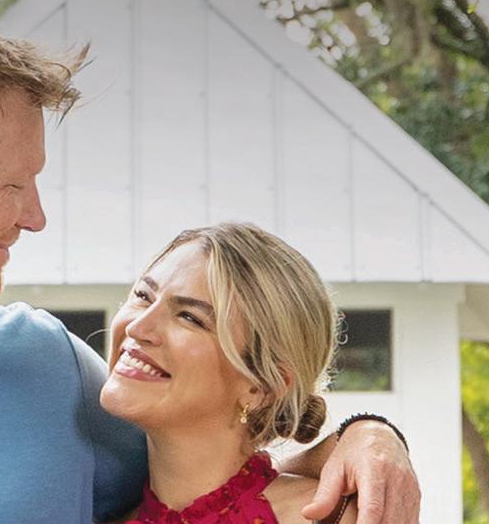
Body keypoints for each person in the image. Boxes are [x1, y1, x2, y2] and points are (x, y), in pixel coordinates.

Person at [0, 13, 420, 523]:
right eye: (13, 185)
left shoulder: (37, 365)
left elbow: (207, 464)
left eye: (190, 315)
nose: (35, 218)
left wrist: (366, 437)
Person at [100, 221, 356, 524]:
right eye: (144, 296)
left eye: (190, 317)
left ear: (261, 387)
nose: (137, 327)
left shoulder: (325, 516)